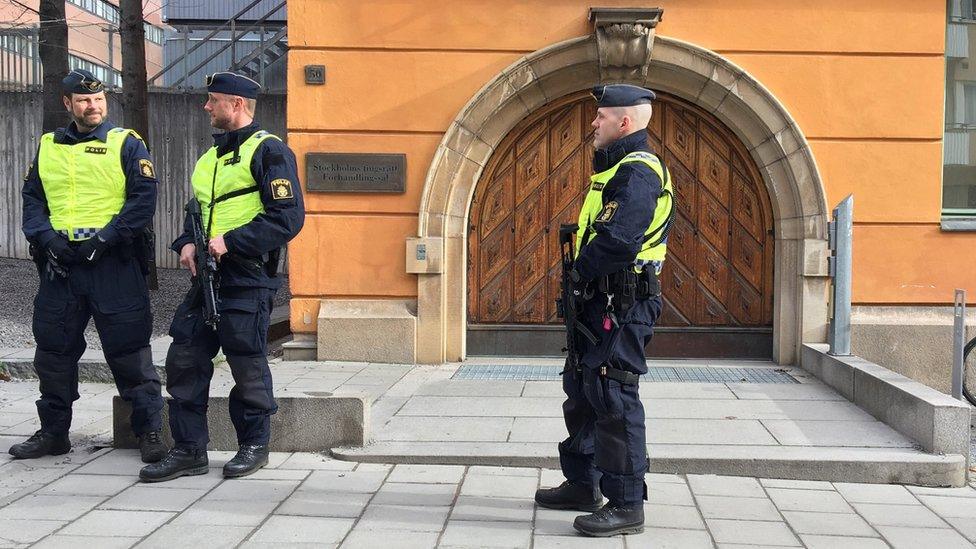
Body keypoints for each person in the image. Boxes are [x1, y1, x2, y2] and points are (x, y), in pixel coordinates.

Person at [140, 72, 305, 483]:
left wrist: (231, 241)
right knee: (184, 361)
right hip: (206, 282)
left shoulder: (270, 151)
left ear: (235, 104)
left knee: (247, 363)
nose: (206, 107)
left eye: (212, 100)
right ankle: (190, 450)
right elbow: (196, 213)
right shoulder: (209, 159)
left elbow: (287, 218)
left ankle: (254, 445)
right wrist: (186, 243)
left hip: (246, 277)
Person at [534, 84, 674, 537]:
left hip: (623, 300)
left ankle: (626, 503)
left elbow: (618, 239)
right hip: (600, 300)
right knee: (582, 387)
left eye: (601, 117)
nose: (593, 123)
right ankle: (583, 483)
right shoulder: (613, 169)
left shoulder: (638, 172)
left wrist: (581, 274)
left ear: (624, 123)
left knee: (613, 394)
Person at [13, 69, 166, 464]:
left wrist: (104, 240)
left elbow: (142, 200)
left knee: (130, 350)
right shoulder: (48, 145)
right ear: (68, 104)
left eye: (97, 100)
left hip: (113, 263)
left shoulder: (126, 143)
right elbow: (33, 200)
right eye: (83, 101)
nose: (92, 106)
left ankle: (149, 431)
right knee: (53, 351)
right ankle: (53, 433)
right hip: (61, 265)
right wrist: (47, 240)